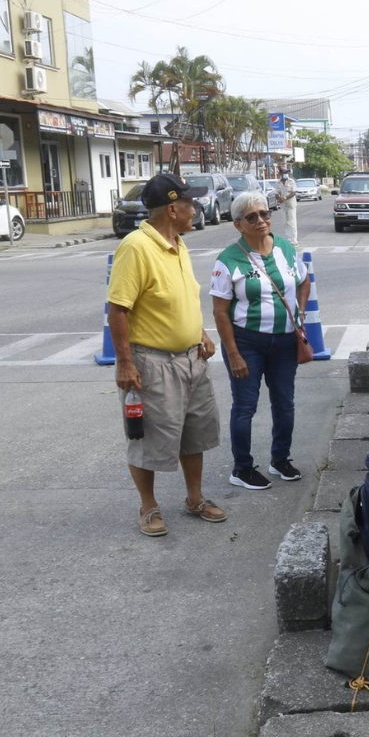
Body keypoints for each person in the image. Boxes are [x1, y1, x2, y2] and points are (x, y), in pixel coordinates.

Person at [108, 172, 226, 537]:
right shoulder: (136, 247)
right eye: (190, 203)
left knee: (194, 433)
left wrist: (200, 333)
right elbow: (118, 309)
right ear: (173, 209)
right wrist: (126, 363)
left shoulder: (179, 243)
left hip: (192, 358)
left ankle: (195, 498)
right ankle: (148, 506)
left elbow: (180, 299)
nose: (196, 208)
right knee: (147, 440)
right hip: (152, 362)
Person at [210, 191, 309, 490]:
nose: (261, 220)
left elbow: (303, 281)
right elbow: (220, 312)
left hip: (284, 342)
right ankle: (241, 468)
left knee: (284, 404)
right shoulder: (228, 260)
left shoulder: (286, 250)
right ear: (238, 224)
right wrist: (234, 353)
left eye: (265, 214)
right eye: (251, 217)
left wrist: (299, 314)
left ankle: (280, 459)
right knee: (245, 406)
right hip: (247, 343)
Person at [275, 168, 298, 247]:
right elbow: (276, 193)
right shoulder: (278, 182)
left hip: (291, 204)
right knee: (285, 222)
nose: (286, 174)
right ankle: (288, 239)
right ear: (280, 174)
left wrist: (284, 198)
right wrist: (279, 197)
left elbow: (293, 192)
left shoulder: (291, 181)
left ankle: (294, 241)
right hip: (283, 205)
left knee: (292, 222)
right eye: (284, 173)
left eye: (287, 173)